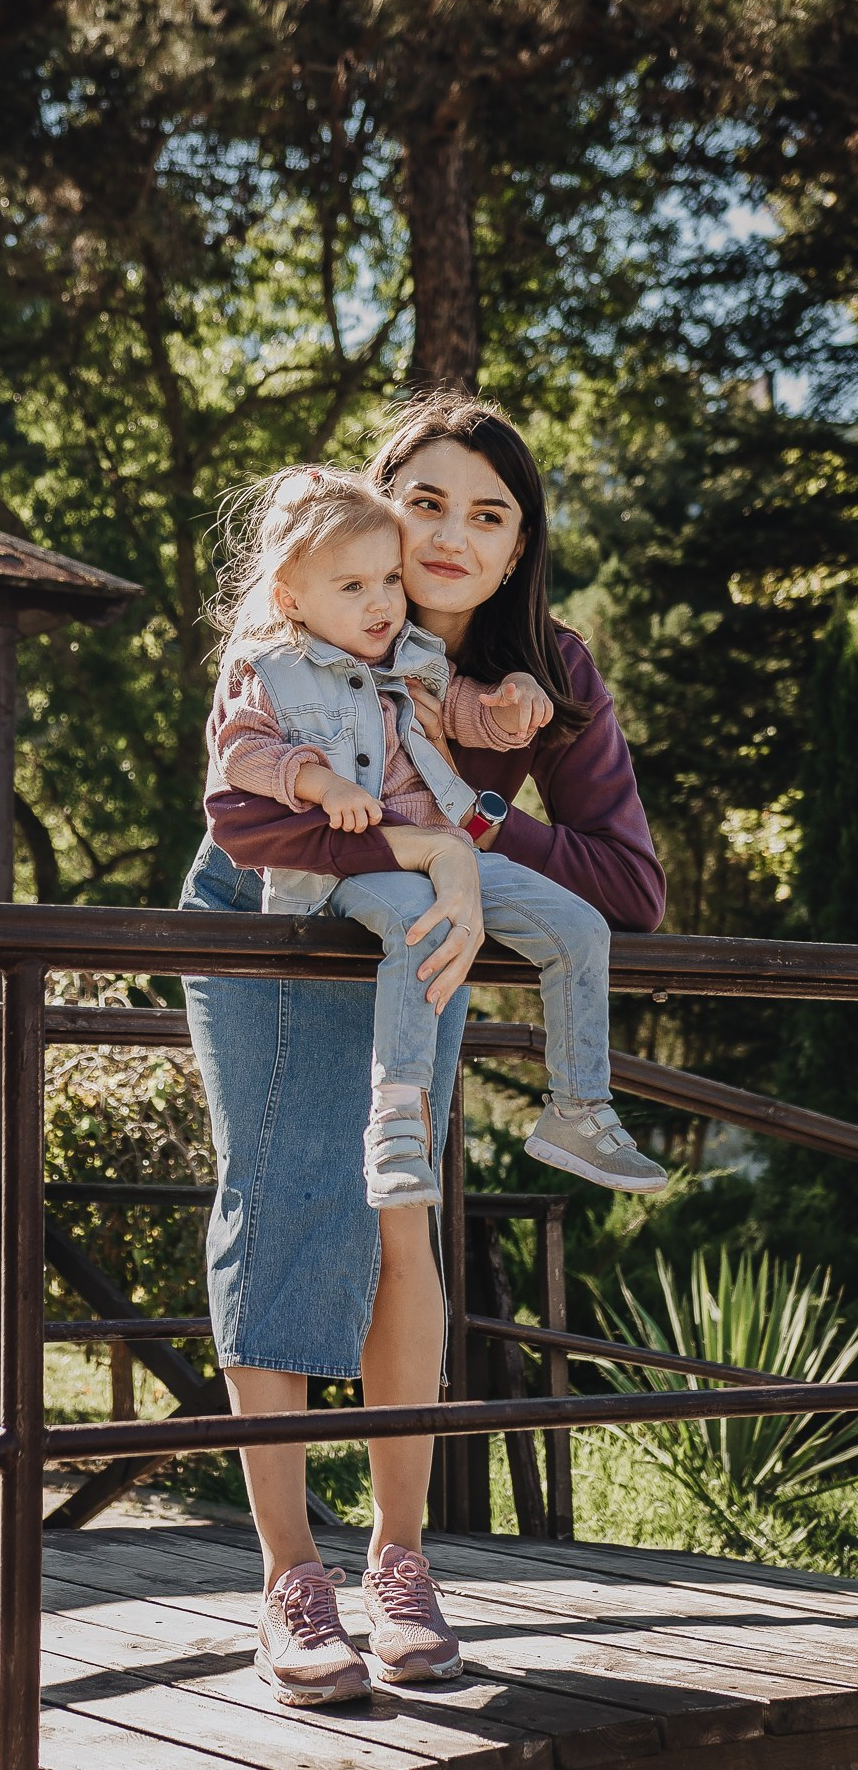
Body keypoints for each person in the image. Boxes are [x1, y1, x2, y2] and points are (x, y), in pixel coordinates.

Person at [180, 391, 665, 1709]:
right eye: (426, 503)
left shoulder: (539, 672)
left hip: (419, 919)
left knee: (405, 1220)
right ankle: (290, 1578)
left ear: (520, 548)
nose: (450, 538)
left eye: (489, 514)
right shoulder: (288, 644)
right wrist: (424, 843)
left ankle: (401, 1560)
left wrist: (476, 831)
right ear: (372, 507)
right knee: (277, 1204)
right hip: (279, 899)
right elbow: (258, 809)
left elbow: (631, 886)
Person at [206, 463, 666, 1209]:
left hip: (447, 852)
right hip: (368, 861)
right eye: (352, 588)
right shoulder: (274, 673)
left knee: (578, 927)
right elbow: (243, 754)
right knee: (424, 932)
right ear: (292, 599)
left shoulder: (410, 656)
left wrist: (513, 709)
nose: (382, 601)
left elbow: (460, 711)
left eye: (389, 579)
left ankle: (577, 1107)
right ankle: (395, 1127)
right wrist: (322, 784)